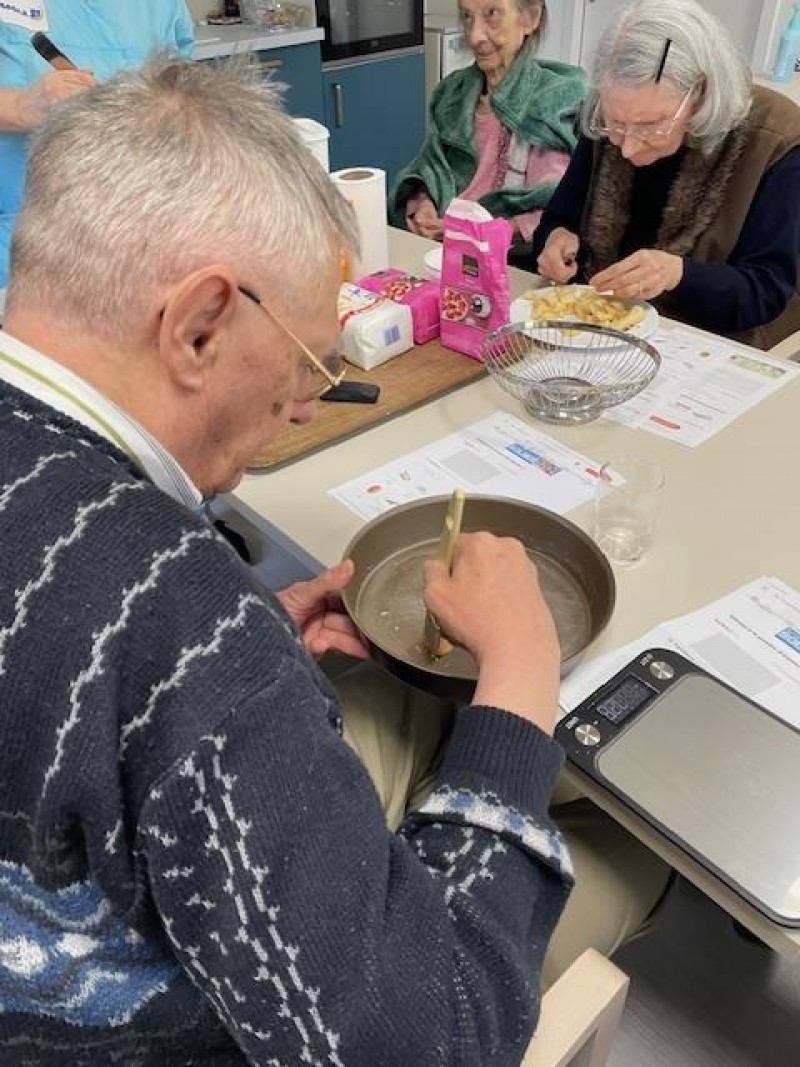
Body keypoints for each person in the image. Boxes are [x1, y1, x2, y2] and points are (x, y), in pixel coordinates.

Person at [0, 59, 574, 1065]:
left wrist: (242, 646)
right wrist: (522, 681)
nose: (309, 401)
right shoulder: (179, 609)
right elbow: (430, 1035)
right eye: (312, 362)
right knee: (615, 848)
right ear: (199, 323)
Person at [532, 0, 800, 350]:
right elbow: (560, 217)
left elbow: (765, 291)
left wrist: (678, 274)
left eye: (650, 127)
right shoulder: (614, 113)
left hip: (710, 343)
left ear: (701, 94)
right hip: (599, 331)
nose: (626, 147)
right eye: (615, 124)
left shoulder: (776, 141)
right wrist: (555, 240)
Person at [0, 1, 194, 289]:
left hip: (137, 232)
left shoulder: (161, 6)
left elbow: (180, 95)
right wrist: (20, 105)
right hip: (24, 234)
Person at [388, 0, 586, 248]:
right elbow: (428, 168)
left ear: (531, 18)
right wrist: (422, 206)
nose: (474, 36)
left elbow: (551, 211)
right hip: (438, 252)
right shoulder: (452, 93)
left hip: (508, 264)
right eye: (467, 16)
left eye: (491, 14)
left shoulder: (553, 103)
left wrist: (475, 233)